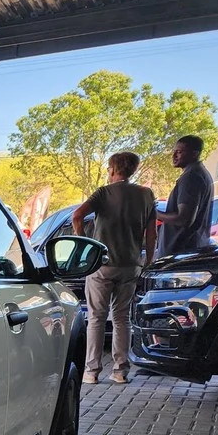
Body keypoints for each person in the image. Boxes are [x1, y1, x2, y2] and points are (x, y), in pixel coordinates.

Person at [72, 151, 157, 385]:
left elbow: (77, 216)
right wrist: (148, 260)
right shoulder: (147, 195)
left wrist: (86, 245)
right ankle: (120, 371)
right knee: (122, 318)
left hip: (102, 265)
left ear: (111, 169)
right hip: (130, 265)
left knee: (96, 318)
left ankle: (91, 372)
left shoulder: (103, 193)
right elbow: (152, 233)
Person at [157, 134, 214, 256]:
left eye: (179, 152)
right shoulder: (201, 173)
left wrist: (154, 213)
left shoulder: (191, 177)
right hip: (191, 249)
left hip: (180, 252)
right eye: (174, 152)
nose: (174, 156)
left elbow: (184, 219)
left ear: (194, 154)